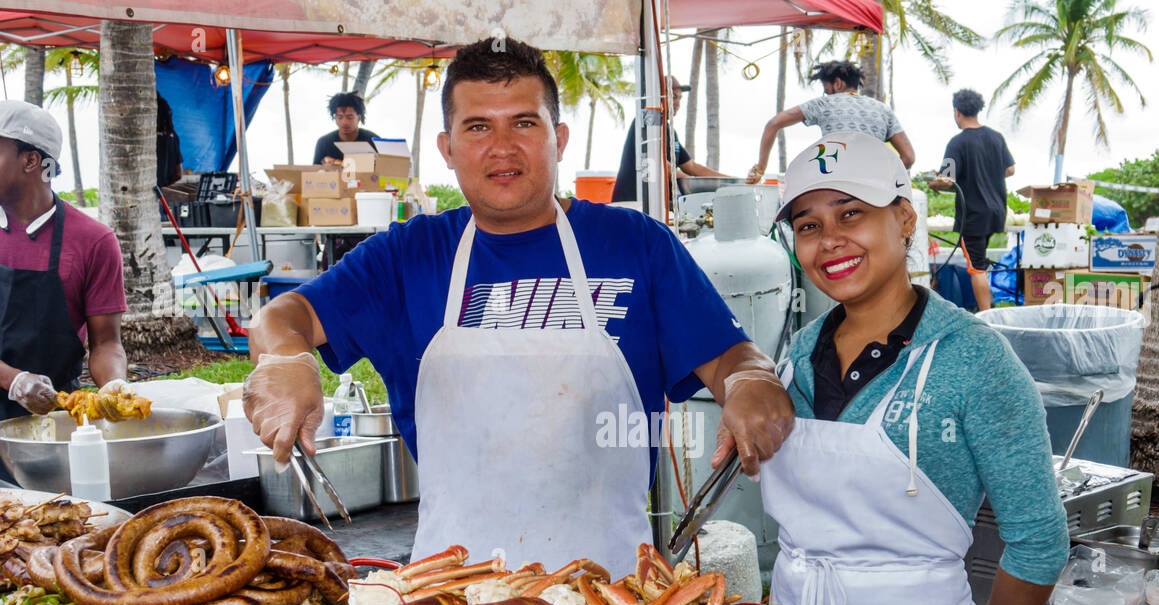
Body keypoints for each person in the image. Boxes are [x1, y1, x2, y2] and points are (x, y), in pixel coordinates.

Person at [244, 38, 793, 574]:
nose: (502, 147)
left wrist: (752, 383)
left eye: (524, 123)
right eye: (478, 126)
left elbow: (731, 360)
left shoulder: (636, 244)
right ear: (448, 147)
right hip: (451, 596)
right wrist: (285, 360)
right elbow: (281, 316)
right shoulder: (407, 255)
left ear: (558, 138)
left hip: (611, 596)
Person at [761, 132, 1068, 605]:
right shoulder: (798, 356)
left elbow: (1039, 542)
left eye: (850, 214)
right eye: (808, 226)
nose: (829, 240)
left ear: (904, 218)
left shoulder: (975, 358)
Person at [0, 101, 128, 427]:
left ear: (30, 160)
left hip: (52, 421)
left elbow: (106, 342)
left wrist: (114, 385)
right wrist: (13, 380)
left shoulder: (93, 240)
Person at [747, 60, 915, 184]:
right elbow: (908, 157)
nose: (827, 94)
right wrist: (883, 175)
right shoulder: (882, 110)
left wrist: (760, 168)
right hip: (876, 188)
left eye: (826, 89)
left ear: (837, 83)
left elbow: (773, 124)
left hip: (835, 185)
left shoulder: (824, 104)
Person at [930, 89, 1015, 313]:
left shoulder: (957, 143)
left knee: (975, 267)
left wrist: (934, 183)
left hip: (974, 216)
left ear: (957, 112)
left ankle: (986, 316)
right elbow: (1010, 169)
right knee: (980, 262)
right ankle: (990, 309)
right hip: (996, 212)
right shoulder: (996, 137)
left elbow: (947, 180)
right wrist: (988, 174)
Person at [611, 77, 729, 202]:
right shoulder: (647, 120)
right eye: (673, 97)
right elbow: (659, 164)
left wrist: (731, 181)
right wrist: (693, 183)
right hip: (631, 203)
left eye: (679, 98)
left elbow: (692, 166)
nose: (677, 103)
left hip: (654, 205)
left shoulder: (669, 131)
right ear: (659, 97)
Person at [312, 92, 378, 166]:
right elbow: (315, 171)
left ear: (359, 118)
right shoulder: (324, 143)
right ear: (335, 118)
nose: (344, 122)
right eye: (340, 117)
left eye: (349, 117)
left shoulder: (373, 140)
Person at [156, 93, 183, 189]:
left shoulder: (148, 138)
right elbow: (178, 174)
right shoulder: (173, 135)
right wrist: (163, 190)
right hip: (163, 195)